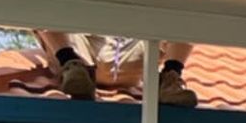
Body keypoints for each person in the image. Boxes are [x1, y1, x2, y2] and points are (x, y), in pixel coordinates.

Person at [34, 33, 199, 108]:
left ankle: (169, 79)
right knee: (41, 2)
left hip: (134, 49)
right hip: (84, 51)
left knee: (187, 12)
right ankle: (72, 65)